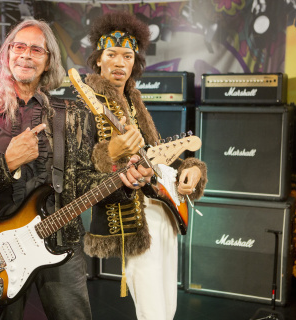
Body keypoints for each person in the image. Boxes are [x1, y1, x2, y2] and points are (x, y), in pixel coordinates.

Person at [0, 19, 153, 320]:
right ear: (7, 54)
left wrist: (125, 183)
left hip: (63, 241)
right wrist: (8, 163)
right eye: (19, 46)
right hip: (1, 247)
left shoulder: (71, 114)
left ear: (48, 61)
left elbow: (86, 181)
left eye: (37, 49)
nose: (26, 55)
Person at [82, 12, 208, 320]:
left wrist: (191, 169)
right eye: (111, 54)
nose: (119, 62)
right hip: (132, 219)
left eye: (127, 56)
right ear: (99, 60)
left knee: (167, 305)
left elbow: (157, 153)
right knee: (152, 307)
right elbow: (82, 170)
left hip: (163, 207)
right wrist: (109, 153)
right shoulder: (88, 106)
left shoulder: (134, 101)